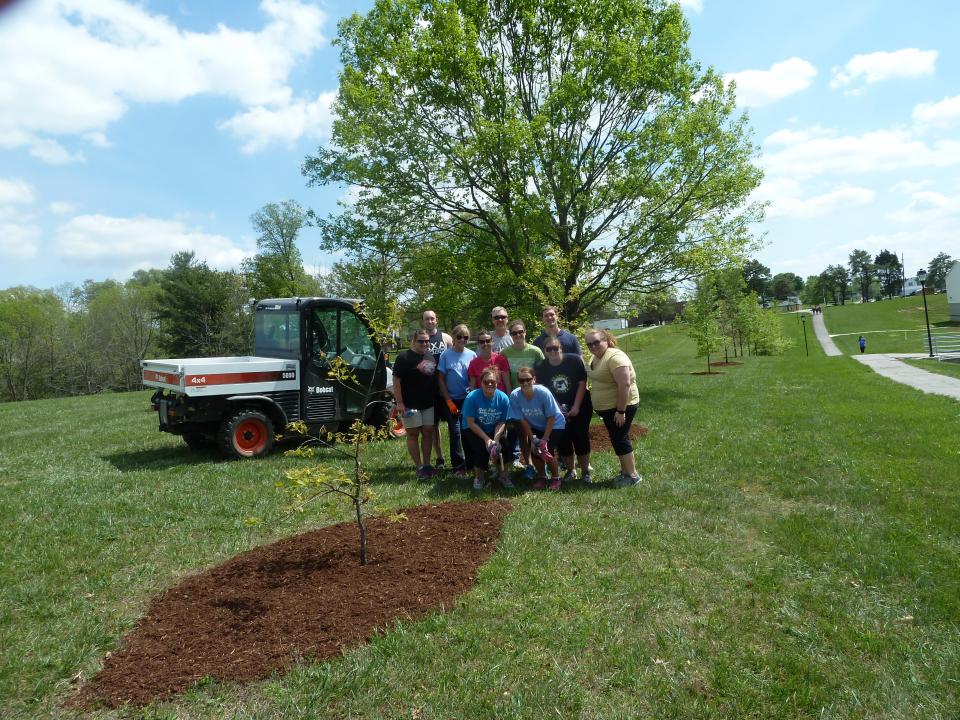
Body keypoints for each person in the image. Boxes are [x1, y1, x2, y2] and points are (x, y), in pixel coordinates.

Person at [584, 328, 642, 487]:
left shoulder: (615, 357)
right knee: (618, 438)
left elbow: (625, 385)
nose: (593, 346)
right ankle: (625, 472)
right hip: (610, 408)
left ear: (606, 340)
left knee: (620, 438)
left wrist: (621, 411)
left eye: (596, 342)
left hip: (622, 407)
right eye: (589, 344)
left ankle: (632, 476)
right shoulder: (596, 357)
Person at [536, 338, 592, 483]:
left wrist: (576, 407)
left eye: (556, 348)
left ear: (562, 348)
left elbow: (582, 383)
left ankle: (585, 471)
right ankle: (570, 470)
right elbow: (546, 391)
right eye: (549, 349)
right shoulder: (542, 367)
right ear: (545, 351)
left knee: (580, 435)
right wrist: (558, 408)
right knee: (563, 438)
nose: (553, 351)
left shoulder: (574, 361)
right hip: (556, 407)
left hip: (580, 404)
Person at [391, 329, 438, 480]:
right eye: (421, 341)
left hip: (428, 403)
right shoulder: (403, 358)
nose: (424, 344)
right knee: (413, 434)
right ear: (413, 341)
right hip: (410, 404)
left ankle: (427, 465)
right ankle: (419, 467)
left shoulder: (430, 355)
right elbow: (396, 380)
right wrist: (399, 402)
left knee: (428, 432)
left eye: (426, 341)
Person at [509, 367, 566, 490]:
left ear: (534, 379)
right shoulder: (515, 395)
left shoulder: (543, 392)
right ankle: (542, 477)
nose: (524, 383)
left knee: (547, 450)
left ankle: (556, 478)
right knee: (535, 451)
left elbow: (551, 416)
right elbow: (522, 420)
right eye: (521, 380)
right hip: (535, 426)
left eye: (528, 379)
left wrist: (545, 439)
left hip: (555, 424)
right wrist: (533, 439)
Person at [500, 320, 544, 472]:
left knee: (536, 432)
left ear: (525, 332)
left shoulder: (535, 351)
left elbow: (542, 374)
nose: (518, 335)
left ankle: (542, 461)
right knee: (521, 433)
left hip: (534, 397)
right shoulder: (505, 353)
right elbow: (503, 376)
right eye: (514, 333)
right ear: (510, 335)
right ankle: (529, 464)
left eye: (520, 332)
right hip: (516, 398)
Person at [461, 367, 513, 490]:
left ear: (497, 383)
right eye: (486, 382)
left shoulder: (503, 398)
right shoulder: (472, 398)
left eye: (493, 382)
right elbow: (471, 422)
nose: (489, 384)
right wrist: (486, 439)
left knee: (504, 446)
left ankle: (503, 475)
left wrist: (495, 438)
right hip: (473, 427)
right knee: (481, 448)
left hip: (494, 427)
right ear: (481, 382)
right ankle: (479, 477)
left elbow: (502, 421)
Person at [438, 324, 476, 479]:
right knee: (455, 432)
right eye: (459, 336)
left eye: (465, 337)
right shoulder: (445, 356)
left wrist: (472, 394)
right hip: (451, 400)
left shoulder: (472, 354)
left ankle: (472, 463)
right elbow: (440, 380)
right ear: (453, 338)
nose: (462, 339)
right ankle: (458, 466)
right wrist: (448, 400)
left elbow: (474, 377)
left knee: (468, 431)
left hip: (468, 400)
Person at [423, 309, 453, 471]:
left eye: (432, 318)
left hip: (447, 389)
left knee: (452, 424)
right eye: (427, 319)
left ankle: (456, 456)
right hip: (429, 390)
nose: (430, 321)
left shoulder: (446, 338)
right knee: (433, 426)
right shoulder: (421, 339)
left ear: (436, 320)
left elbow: (455, 356)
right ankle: (440, 458)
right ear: (423, 321)